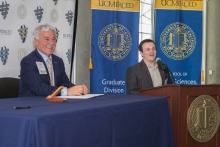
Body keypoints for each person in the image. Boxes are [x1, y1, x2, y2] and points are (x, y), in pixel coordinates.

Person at [19, 24, 88, 97]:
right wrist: (65, 91)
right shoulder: (28, 61)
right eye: (46, 39)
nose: (51, 43)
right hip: (33, 105)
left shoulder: (58, 61)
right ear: (36, 41)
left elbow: (65, 83)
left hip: (53, 103)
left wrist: (78, 89)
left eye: (53, 39)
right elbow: (38, 88)